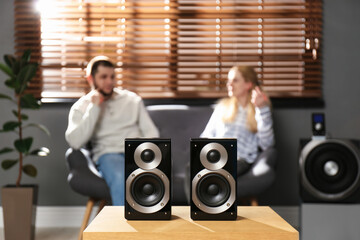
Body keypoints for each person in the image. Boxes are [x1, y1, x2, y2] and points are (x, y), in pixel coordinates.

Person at [65, 56, 159, 205]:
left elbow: (151, 133)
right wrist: (94, 108)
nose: (109, 82)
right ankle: (123, 227)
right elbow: (75, 142)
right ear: (90, 79)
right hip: (108, 155)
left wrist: (148, 155)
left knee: (153, 176)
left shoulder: (132, 100)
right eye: (103, 77)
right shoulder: (81, 107)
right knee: (120, 175)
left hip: (137, 152)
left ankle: (151, 226)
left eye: (112, 77)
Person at [200, 65, 275, 176]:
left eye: (235, 80)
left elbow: (267, 144)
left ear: (248, 84)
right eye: (228, 81)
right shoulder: (222, 107)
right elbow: (206, 136)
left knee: (220, 172)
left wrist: (262, 109)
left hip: (239, 160)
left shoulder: (259, 111)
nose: (229, 84)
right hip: (216, 157)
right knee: (191, 169)